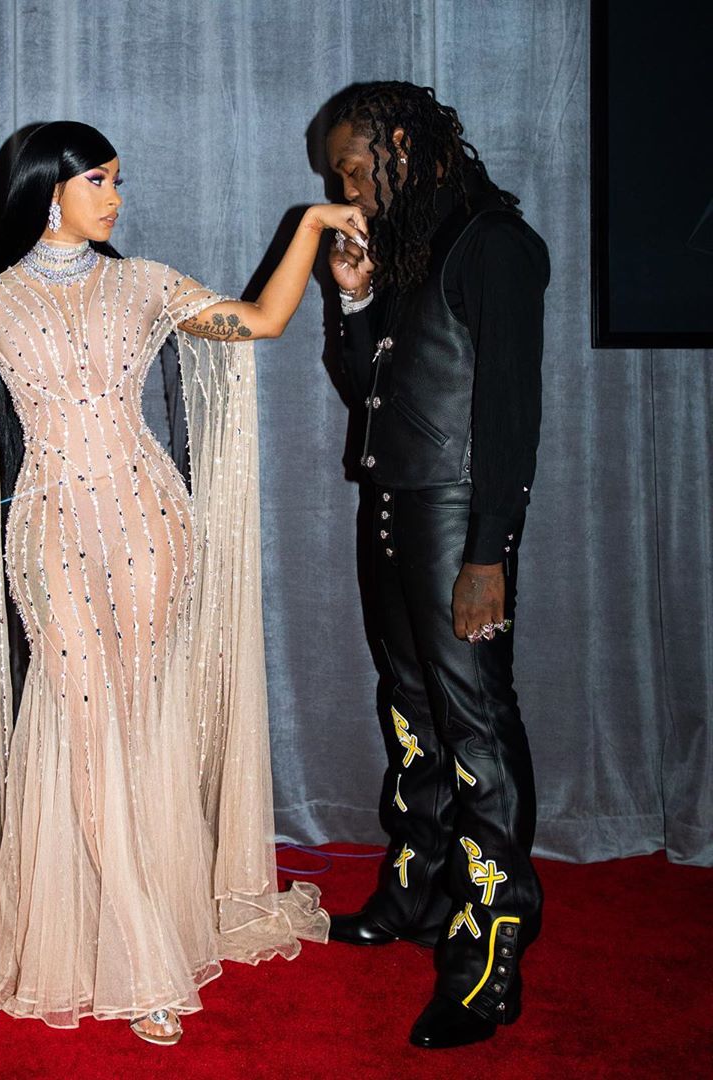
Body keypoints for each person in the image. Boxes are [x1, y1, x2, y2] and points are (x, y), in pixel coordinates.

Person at [0, 121, 355, 1045]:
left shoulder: (143, 282)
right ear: (50, 190)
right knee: (81, 722)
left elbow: (260, 322)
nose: (116, 196)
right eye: (99, 180)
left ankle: (144, 920)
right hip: (50, 533)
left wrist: (309, 226)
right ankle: (142, 955)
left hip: (153, 524)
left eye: (116, 180)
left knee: (138, 719)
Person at [318, 83, 549, 1049]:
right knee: (410, 709)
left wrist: (488, 552)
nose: (347, 189)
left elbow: (509, 413)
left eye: (354, 169)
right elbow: (369, 392)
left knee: (475, 725)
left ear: (404, 143)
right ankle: (418, 894)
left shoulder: (494, 244)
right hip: (392, 511)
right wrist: (356, 297)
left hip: (457, 523)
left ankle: (489, 955)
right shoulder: (412, 246)